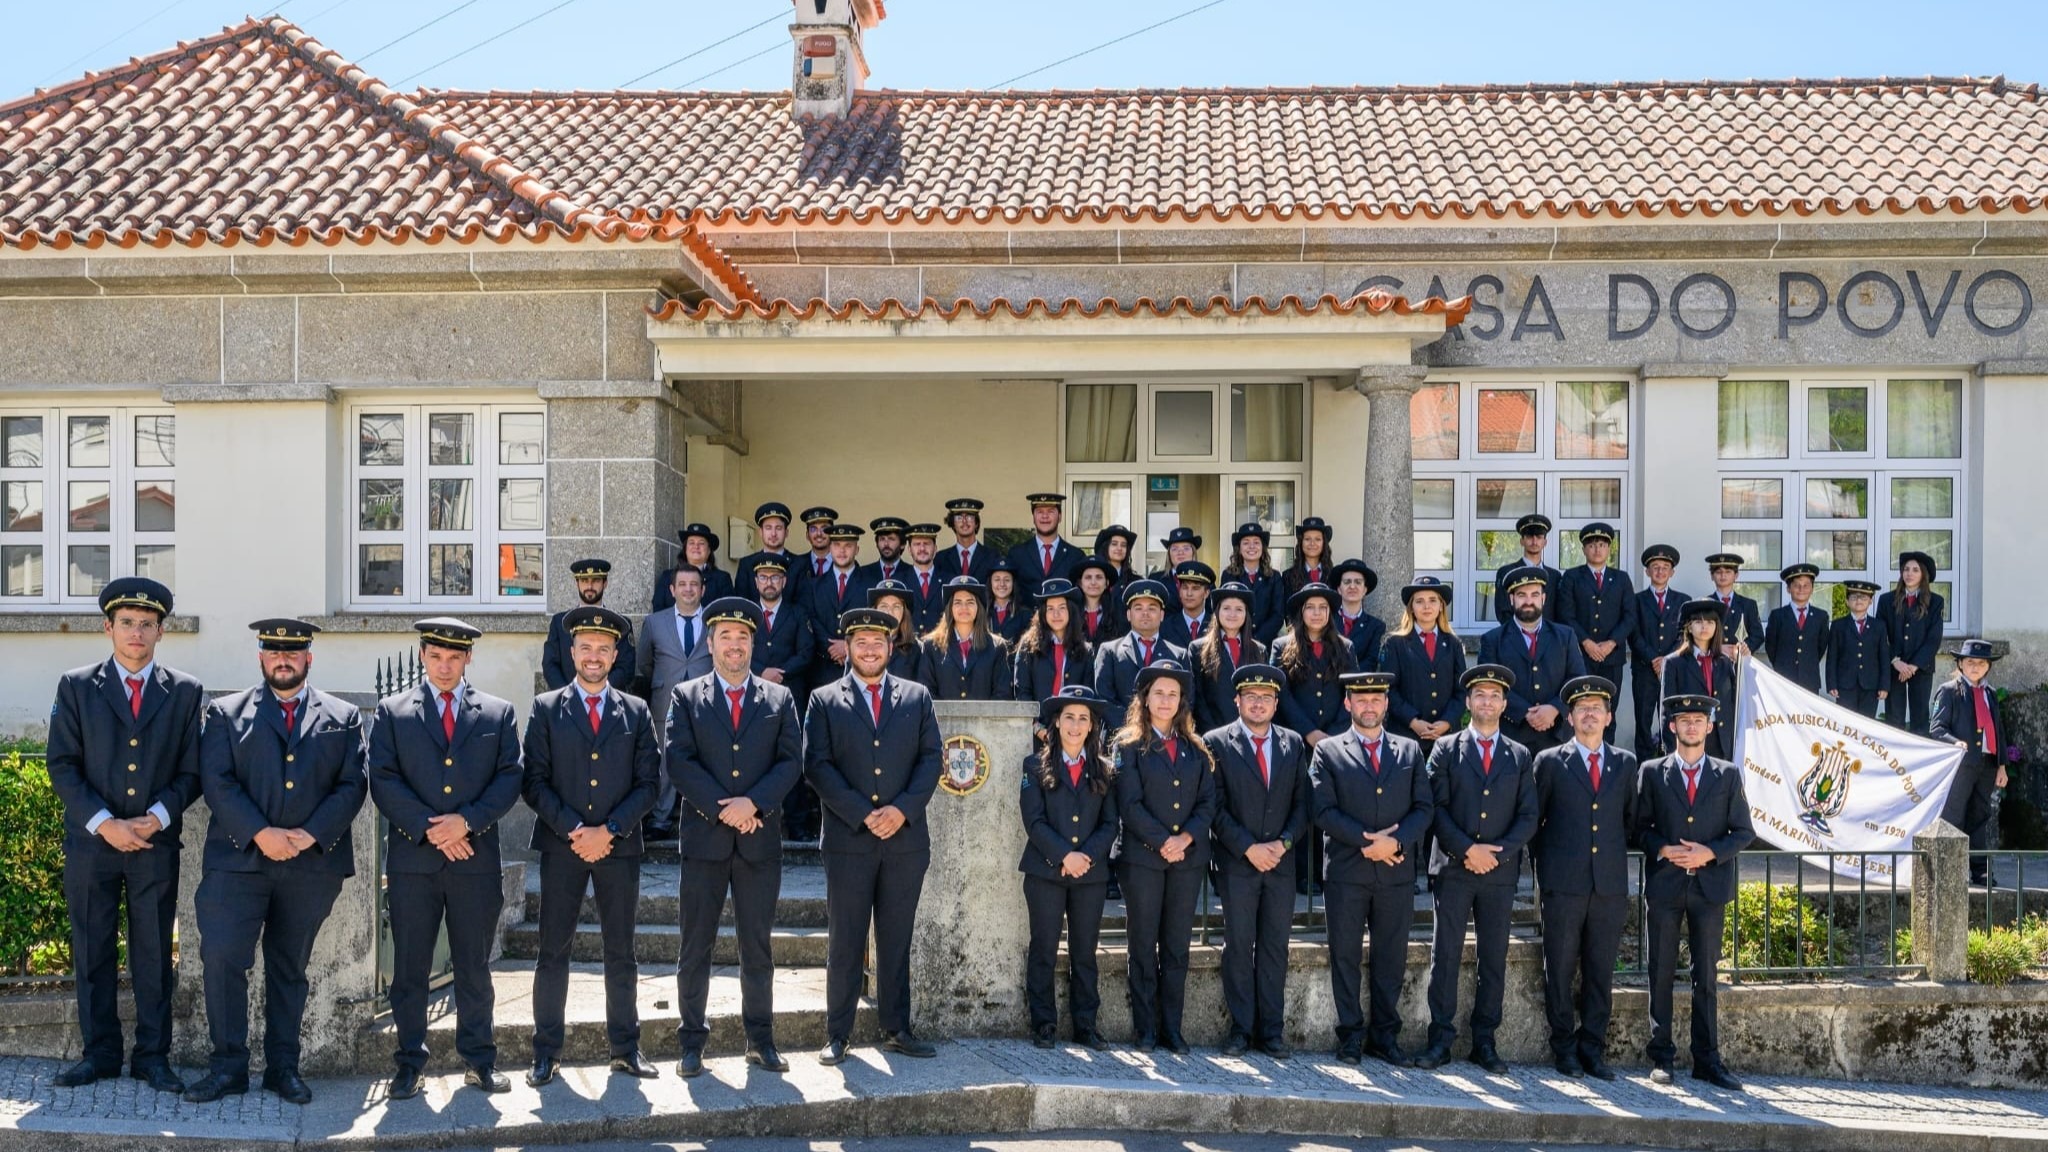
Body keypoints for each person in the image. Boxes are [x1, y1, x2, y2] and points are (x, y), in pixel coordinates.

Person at [187, 619, 362, 1105]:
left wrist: (307, 835)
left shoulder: (343, 717)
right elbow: (217, 781)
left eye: (293, 652)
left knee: (289, 967)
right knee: (222, 958)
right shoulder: (225, 714)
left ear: (309, 658)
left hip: (309, 866)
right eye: (273, 652)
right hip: (238, 863)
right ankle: (228, 1068)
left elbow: (352, 785)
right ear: (261, 658)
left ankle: (283, 1068)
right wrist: (262, 833)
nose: (282, 660)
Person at [45, 577, 203, 1094]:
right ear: (108, 627)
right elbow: (63, 765)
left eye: (147, 625)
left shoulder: (183, 691)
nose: (137, 633)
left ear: (162, 632)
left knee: (154, 953)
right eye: (128, 624)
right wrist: (104, 823)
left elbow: (191, 771)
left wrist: (157, 817)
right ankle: (101, 1054)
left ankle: (152, 1057)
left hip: (154, 846)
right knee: (92, 949)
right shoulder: (75, 686)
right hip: (93, 845)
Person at [368, 618, 523, 1100]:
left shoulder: (497, 714)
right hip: (415, 862)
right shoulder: (393, 712)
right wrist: (434, 829)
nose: (444, 666)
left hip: (474, 861)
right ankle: (409, 1063)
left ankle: (479, 1060)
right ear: (421, 656)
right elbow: (383, 780)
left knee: (474, 967)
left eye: (454, 657)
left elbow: (509, 778)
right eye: (435, 656)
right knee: (411, 969)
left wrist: (467, 822)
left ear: (468, 659)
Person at [521, 606, 662, 1087]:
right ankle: (546, 1051)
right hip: (564, 848)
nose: (594, 656)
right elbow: (533, 782)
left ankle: (625, 1048)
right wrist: (575, 830)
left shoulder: (636, 711)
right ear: (572, 651)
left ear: (615, 653)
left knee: (621, 951)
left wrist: (612, 829)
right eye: (586, 647)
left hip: (618, 850)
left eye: (604, 648)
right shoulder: (546, 708)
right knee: (552, 951)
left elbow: (649, 783)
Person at [667, 597, 805, 1075]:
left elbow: (791, 761)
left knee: (758, 947)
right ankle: (691, 1042)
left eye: (742, 636)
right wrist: (726, 810)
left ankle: (759, 1039)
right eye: (724, 636)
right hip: (705, 842)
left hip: (758, 841)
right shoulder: (686, 696)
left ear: (753, 643)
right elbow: (679, 761)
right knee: (695, 945)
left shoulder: (779, 699)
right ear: (710, 644)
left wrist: (755, 805)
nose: (733, 645)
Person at [804, 608, 945, 1064]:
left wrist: (901, 810)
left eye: (877, 642)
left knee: (896, 939)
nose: (869, 649)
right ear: (848, 646)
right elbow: (818, 767)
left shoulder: (917, 696)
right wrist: (865, 815)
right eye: (860, 642)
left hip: (905, 841)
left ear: (890, 647)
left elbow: (931, 761)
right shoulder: (824, 699)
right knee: (845, 939)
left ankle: (896, 1027)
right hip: (850, 840)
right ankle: (837, 1033)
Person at [1413, 664, 1537, 1075]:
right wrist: (1467, 850)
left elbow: (1528, 816)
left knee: (1493, 958)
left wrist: (1495, 855)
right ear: (1468, 703)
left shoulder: (1519, 755)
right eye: (1479, 695)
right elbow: (1436, 808)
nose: (1487, 702)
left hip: (1498, 874)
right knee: (1444, 954)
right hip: (1453, 867)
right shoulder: (1446, 749)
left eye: (1494, 696)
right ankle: (1440, 1039)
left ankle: (1485, 1040)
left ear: (1504, 704)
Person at [1311, 669, 1432, 1067]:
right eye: (1360, 699)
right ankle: (1349, 1036)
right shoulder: (1327, 751)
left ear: (1386, 704)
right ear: (1347, 703)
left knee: (1391, 958)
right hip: (1347, 872)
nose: (1368, 706)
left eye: (1376, 699)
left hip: (1394, 872)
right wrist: (1369, 842)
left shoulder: (1409, 750)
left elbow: (1424, 808)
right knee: (1344, 955)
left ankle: (1384, 1036)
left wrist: (1393, 843)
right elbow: (1323, 810)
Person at [1635, 693, 1754, 1092]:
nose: (1690, 726)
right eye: (1683, 720)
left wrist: (1710, 853)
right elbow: (1639, 828)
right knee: (1661, 972)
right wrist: (1663, 848)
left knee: (1706, 975)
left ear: (1710, 726)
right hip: (1666, 885)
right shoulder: (1651, 772)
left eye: (1698, 720)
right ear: (1672, 727)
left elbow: (1743, 831)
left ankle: (1707, 1059)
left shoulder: (1727, 774)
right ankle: (1661, 1056)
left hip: (1709, 888)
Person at [1530, 675, 1637, 1081]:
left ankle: (1592, 1048)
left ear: (1609, 717)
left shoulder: (1626, 764)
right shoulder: (1551, 762)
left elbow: (1631, 821)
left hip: (1607, 887)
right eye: (1582, 708)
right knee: (1558, 968)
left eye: (1597, 708)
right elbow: (1534, 823)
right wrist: (1548, 870)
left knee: (1599, 970)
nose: (1589, 714)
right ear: (1570, 717)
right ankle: (1564, 1048)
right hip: (1563, 885)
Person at [1207, 663, 1309, 1059]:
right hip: (1237, 863)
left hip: (1280, 865)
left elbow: (1304, 805)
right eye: (1251, 697)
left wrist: (1282, 844)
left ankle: (1272, 1031)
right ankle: (1240, 1029)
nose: (1259, 703)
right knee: (1238, 946)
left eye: (1266, 698)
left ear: (1276, 702)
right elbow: (1213, 806)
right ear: (1237, 700)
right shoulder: (1216, 742)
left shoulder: (1293, 743)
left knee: (1274, 947)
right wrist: (1249, 847)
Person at [1113, 660, 1216, 1054]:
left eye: (1173, 694)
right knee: (1142, 945)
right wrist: (1163, 842)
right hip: (1143, 860)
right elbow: (1130, 804)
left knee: (1177, 947)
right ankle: (1145, 1030)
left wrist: (1186, 837)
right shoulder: (1127, 747)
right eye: (1159, 692)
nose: (1166, 700)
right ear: (1145, 698)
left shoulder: (1196, 748)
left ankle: (1172, 1028)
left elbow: (1207, 803)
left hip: (1186, 862)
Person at [1019, 685, 1120, 1050]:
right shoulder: (1034, 765)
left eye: (1083, 719)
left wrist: (1085, 857)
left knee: (1085, 952)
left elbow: (1110, 824)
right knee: (1043, 948)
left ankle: (1085, 1025)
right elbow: (1034, 821)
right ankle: (1044, 1023)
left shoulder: (1106, 770)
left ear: (1092, 726)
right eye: (1069, 718)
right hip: (1046, 872)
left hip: (1089, 877)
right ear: (1056, 723)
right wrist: (1065, 856)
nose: (1075, 726)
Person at [1272, 581, 1355, 895]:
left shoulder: (1345, 647)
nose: (1317, 613)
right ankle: (1301, 874)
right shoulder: (1282, 646)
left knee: (1329, 803)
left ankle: (1324, 872)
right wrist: (1309, 732)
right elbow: (1281, 694)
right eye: (1310, 607)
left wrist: (1329, 735)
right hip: (1296, 740)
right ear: (1301, 613)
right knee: (1299, 804)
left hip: (1335, 741)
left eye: (1322, 607)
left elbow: (1353, 694)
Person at [1931, 639, 2014, 885]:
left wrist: (2002, 765)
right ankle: (1949, 868)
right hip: (1961, 765)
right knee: (1954, 814)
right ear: (1960, 664)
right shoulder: (1950, 691)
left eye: (1981, 663)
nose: (1975, 667)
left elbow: (1998, 731)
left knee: (1980, 815)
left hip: (1987, 764)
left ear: (1988, 666)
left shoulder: (1989, 693)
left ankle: (1980, 870)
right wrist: (1954, 742)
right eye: (1970, 662)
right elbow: (1936, 728)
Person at [1479, 567, 1586, 754]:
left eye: (1534, 594)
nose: (1529, 601)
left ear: (1543, 599)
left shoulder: (1565, 636)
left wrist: (1554, 708)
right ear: (1511, 599)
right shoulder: (1492, 640)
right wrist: (1526, 713)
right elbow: (1490, 685)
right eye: (1521, 595)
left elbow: (1576, 678)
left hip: (1558, 736)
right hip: (1511, 737)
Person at [638, 564, 711, 838]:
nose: (689, 589)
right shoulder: (655, 622)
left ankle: (704, 816)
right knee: (665, 761)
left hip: (706, 703)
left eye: (694, 584)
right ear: (672, 590)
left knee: (705, 759)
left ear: (703, 589)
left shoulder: (715, 622)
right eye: (683, 584)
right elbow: (645, 662)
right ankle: (660, 819)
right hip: (664, 699)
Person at [1556, 522, 1635, 744]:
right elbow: (1566, 615)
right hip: (1581, 657)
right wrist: (1586, 642)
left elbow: (1629, 616)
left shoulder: (1621, 579)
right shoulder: (1572, 577)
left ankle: (1607, 756)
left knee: (1609, 711)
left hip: (1612, 657)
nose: (1597, 549)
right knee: (1580, 708)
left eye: (1602, 544)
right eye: (1591, 545)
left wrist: (1611, 643)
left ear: (1609, 548)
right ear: (1584, 549)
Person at [1379, 575, 1464, 762]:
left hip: (1446, 738)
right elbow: (1389, 690)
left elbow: (1461, 691)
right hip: (1405, 736)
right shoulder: (1394, 643)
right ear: (1411, 608)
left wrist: (1447, 722)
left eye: (1433, 600)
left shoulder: (1453, 643)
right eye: (1420, 601)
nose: (1427, 606)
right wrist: (1413, 721)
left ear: (1441, 606)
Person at [1631, 545, 1690, 761]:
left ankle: (1672, 764)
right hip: (1645, 671)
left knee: (1671, 721)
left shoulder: (1683, 600)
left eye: (1665, 567)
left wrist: (1666, 660)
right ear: (1647, 571)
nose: (1660, 572)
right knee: (1643, 723)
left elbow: (1685, 634)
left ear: (1672, 572)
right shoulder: (1636, 600)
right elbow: (1634, 633)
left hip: (1673, 670)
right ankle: (1643, 770)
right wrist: (1653, 659)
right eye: (1655, 567)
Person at [1093, 579, 1187, 712]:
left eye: (1152, 608)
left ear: (1161, 615)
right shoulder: (1110, 651)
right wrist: (1133, 729)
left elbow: (1186, 699)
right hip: (1121, 730)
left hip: (1164, 731)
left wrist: (1160, 729)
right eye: (1138, 608)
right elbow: (1104, 700)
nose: (1145, 613)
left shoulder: (1179, 655)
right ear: (1128, 615)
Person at [542, 558, 635, 692]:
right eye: (584, 581)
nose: (589, 586)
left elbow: (626, 668)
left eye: (596, 580)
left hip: (607, 703)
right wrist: (571, 695)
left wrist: (598, 692)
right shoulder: (560, 622)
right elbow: (550, 665)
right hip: (567, 704)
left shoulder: (620, 624)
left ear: (605, 583)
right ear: (577, 583)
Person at [916, 576, 1015, 701]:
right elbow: (926, 692)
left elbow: (1002, 694)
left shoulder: (996, 647)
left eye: (970, 602)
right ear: (950, 608)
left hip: (985, 720)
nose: (964, 607)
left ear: (978, 607)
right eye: (958, 602)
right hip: (941, 720)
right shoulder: (931, 646)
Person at [1663, 600, 1739, 759]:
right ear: (1689, 627)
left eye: (1710, 622)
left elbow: (1733, 702)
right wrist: (1671, 748)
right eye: (1698, 622)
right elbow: (1667, 709)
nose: (1704, 627)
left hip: (1720, 737)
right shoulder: (1674, 662)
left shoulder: (1724, 662)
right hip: (1689, 737)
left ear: (1716, 627)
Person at [1880, 551, 1947, 733]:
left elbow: (1933, 639)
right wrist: (1895, 661)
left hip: (1921, 668)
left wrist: (1913, 666)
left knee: (1920, 718)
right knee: (1894, 717)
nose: (1909, 573)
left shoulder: (1935, 602)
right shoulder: (1886, 600)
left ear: (1923, 574)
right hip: (1895, 667)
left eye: (1915, 570)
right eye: (1906, 569)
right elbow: (1881, 636)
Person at [1189, 582, 1266, 732]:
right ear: (1217, 612)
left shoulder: (1259, 650)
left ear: (1246, 614)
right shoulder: (1198, 648)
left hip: (1251, 732)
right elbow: (1197, 698)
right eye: (1226, 608)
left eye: (1239, 609)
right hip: (1211, 732)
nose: (1232, 614)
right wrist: (1212, 733)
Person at [803, 522, 871, 693]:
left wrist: (848, 645)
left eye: (848, 545)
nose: (842, 551)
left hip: (859, 669)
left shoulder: (870, 585)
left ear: (857, 549)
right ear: (830, 548)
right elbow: (811, 620)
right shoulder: (814, 585)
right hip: (822, 670)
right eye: (837, 545)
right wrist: (832, 648)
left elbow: (870, 622)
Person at [1013, 578, 1090, 703]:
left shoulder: (1086, 650)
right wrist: (1034, 721)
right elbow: (1022, 691)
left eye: (1061, 608)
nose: (1056, 614)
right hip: (1037, 720)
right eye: (1050, 609)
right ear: (1043, 613)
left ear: (1071, 611)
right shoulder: (1028, 646)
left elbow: (1088, 694)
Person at [1827, 579, 1891, 717]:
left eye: (1863, 597)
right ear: (1847, 601)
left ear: (1870, 601)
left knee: (1866, 724)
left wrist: (1884, 685)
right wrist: (1831, 683)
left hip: (1870, 685)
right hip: (1845, 685)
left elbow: (1884, 657)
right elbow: (1832, 656)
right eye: (1854, 597)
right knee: (1846, 723)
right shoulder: (1838, 625)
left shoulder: (1879, 626)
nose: (1859, 601)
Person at [749, 557, 814, 690]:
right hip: (755, 689)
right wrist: (762, 672)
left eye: (775, 577)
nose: (769, 583)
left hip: (790, 690)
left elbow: (806, 652)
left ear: (784, 581)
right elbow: (740, 651)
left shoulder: (798, 613)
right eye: (763, 577)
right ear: (756, 582)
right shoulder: (748, 615)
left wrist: (779, 673)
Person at [1764, 562, 1830, 693]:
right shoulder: (1777, 615)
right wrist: (1782, 667)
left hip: (1809, 679)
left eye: (1806, 585)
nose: (1801, 589)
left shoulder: (1821, 616)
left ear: (1812, 588)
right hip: (1783, 678)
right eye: (1796, 585)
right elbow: (1771, 646)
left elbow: (1820, 647)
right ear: (1788, 589)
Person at [1007, 492, 1084, 597]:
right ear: (1033, 517)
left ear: (1060, 516)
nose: (1045, 516)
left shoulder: (1076, 556)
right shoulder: (1017, 554)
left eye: (1050, 511)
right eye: (1039, 512)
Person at [1222, 521, 1284, 644]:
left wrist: (1257, 639)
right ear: (1239, 549)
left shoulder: (1274, 577)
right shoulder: (1229, 575)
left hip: (1265, 643)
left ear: (1263, 548)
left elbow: (1277, 615)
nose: (1251, 547)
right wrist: (1241, 638)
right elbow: (1223, 609)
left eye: (1256, 542)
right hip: (1235, 642)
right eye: (1246, 543)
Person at [1493, 513, 1561, 625]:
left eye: (1539, 537)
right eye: (1529, 537)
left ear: (1545, 542)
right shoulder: (1506, 572)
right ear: (1522, 541)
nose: (1534, 542)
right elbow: (1503, 611)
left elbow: (1558, 612)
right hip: (1516, 637)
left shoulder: (1555, 576)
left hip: (1549, 638)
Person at [654, 523, 735, 609]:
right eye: (691, 543)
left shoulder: (722, 579)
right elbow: (658, 609)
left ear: (709, 551)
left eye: (701, 543)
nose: (696, 546)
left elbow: (728, 610)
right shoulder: (667, 577)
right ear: (685, 549)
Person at [736, 502, 801, 602]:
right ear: (760, 532)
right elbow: (741, 603)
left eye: (778, 528)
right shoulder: (746, 564)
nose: (773, 534)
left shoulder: (799, 564)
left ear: (786, 532)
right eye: (768, 528)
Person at [1703, 553, 1765, 659]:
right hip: (1713, 662)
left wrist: (1744, 648)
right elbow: (1698, 636)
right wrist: (1717, 648)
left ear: (1736, 575)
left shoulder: (1748, 605)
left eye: (1728, 571)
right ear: (1712, 576)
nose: (1723, 576)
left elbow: (1758, 635)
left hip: (1740, 662)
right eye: (1718, 572)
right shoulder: (1704, 604)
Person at [1331, 559, 1385, 671]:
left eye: (1358, 582)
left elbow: (1371, 661)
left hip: (1358, 685)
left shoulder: (1376, 626)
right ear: (1339, 589)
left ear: (1365, 590)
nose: (1352, 586)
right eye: (1347, 582)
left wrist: (1348, 676)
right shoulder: (1327, 620)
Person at [866, 579, 926, 679]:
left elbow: (922, 690)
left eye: (896, 607)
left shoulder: (917, 649)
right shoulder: (860, 645)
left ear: (904, 612)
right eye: (884, 606)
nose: (890, 612)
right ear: (875, 610)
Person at [935, 497, 999, 584]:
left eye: (969, 517)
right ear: (953, 524)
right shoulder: (941, 558)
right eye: (959, 518)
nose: (964, 521)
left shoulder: (992, 556)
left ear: (976, 523)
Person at [900, 522, 949, 632]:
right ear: (909, 549)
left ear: (935, 548)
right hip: (908, 645)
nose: (922, 548)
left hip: (939, 644)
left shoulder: (949, 581)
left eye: (927, 543)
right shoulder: (898, 582)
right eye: (917, 544)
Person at [1160, 560, 1216, 650]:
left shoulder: (1216, 626)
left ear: (1206, 593)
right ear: (1179, 591)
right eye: (1185, 587)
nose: (1189, 593)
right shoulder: (1165, 627)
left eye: (1195, 588)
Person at [1073, 555, 1125, 643]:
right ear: (1080, 583)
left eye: (1099, 577)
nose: (1093, 582)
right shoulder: (1071, 612)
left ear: (1106, 583)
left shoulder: (1119, 611)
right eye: (1088, 577)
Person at [1283, 516, 1335, 596]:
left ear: (1324, 543)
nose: (1312, 543)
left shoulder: (1333, 575)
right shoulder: (1287, 576)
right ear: (1301, 542)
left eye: (1317, 539)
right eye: (1307, 539)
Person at [859, 516, 911, 588]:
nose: (886, 544)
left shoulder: (912, 573)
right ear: (877, 544)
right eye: (882, 539)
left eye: (891, 539)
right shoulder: (862, 573)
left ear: (902, 544)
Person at [987, 559, 1030, 644]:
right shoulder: (982, 613)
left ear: (1013, 583)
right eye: (997, 579)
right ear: (990, 583)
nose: (1002, 584)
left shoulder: (1025, 615)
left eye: (1007, 580)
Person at [796, 505, 838, 584]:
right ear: (807, 535)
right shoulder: (796, 564)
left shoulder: (844, 563)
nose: (819, 533)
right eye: (813, 529)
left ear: (832, 533)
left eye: (824, 528)